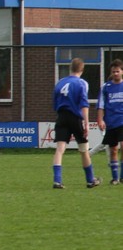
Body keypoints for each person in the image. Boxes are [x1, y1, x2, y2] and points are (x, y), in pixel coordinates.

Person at [51, 57, 101, 190]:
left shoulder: (60, 82)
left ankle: (57, 181)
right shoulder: (81, 83)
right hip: (75, 118)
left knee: (60, 149)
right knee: (84, 149)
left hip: (62, 117)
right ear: (82, 70)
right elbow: (84, 104)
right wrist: (86, 123)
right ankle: (90, 180)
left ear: (70, 68)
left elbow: (55, 103)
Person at [97, 59, 123, 185]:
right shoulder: (105, 87)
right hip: (111, 122)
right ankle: (115, 178)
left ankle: (122, 176)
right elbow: (101, 105)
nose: (115, 74)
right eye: (113, 72)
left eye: (117, 71)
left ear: (122, 71)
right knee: (113, 150)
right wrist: (100, 119)